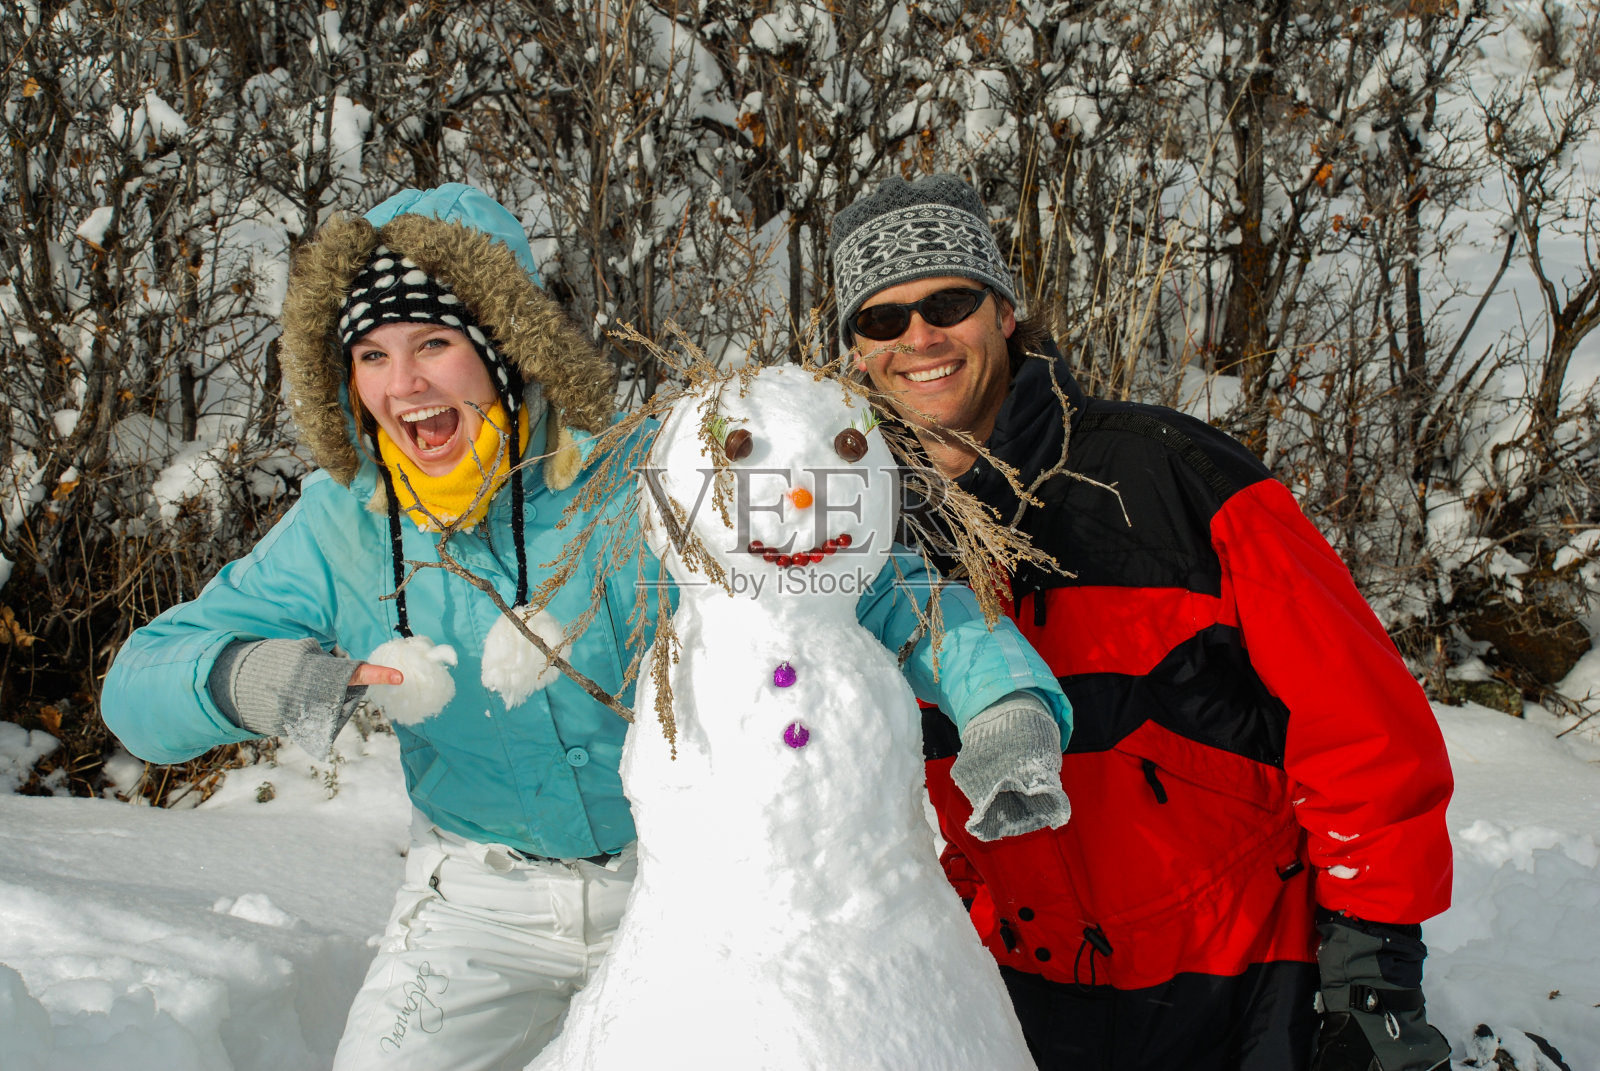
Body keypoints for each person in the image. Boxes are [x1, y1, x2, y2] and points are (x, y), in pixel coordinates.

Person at [101, 182, 1072, 1071]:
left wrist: (1001, 700)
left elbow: (870, 587)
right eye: (370, 355)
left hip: (685, 885)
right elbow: (141, 680)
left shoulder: (641, 474)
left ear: (506, 342)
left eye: (433, 343)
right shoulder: (341, 525)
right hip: (473, 908)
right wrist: (260, 679)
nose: (402, 386)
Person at [829, 173, 1455, 1071]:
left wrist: (1373, 971)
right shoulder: (856, 543)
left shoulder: (1172, 472)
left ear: (1004, 311)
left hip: (1246, 986)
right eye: (882, 320)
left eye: (948, 301)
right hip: (1008, 997)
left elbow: (1361, 725)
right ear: (855, 350)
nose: (918, 338)